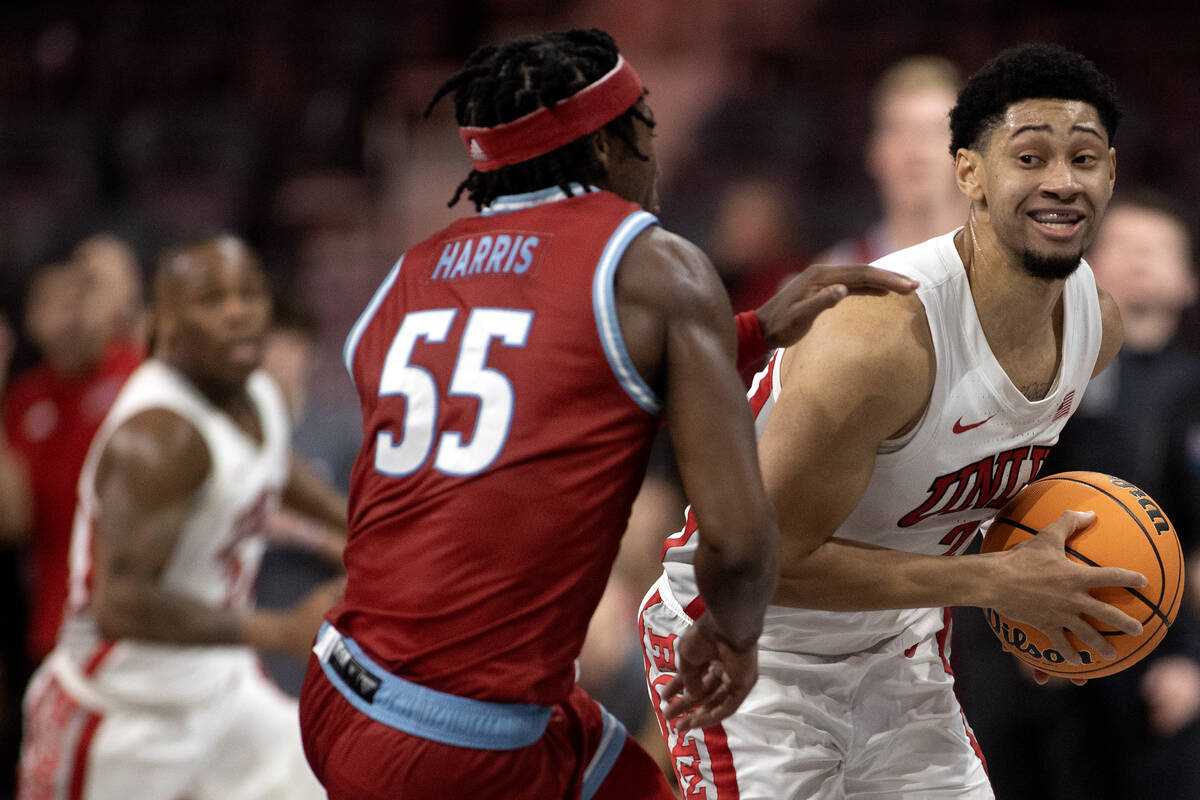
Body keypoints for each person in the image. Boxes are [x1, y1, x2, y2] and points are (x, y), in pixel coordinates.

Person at [297, 28, 916, 800]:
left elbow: (544, 394)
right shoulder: (651, 262)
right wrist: (732, 635)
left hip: (340, 691)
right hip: (461, 745)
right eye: (645, 129)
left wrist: (750, 333)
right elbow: (741, 540)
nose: (658, 153)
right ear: (604, 148)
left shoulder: (411, 273)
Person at [640, 42, 1149, 799]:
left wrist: (1045, 591)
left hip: (897, 651)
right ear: (969, 172)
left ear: (1111, 174)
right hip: (747, 648)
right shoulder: (878, 337)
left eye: (1085, 158)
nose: (1062, 182)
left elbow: (959, 472)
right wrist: (995, 582)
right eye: (1031, 156)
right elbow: (760, 561)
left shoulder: (1095, 328)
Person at [17, 236, 345, 800]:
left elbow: (268, 463)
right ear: (162, 322)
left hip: (221, 688)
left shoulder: (256, 391)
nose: (239, 311)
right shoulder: (157, 437)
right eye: (212, 299)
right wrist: (281, 630)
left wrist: (361, 524)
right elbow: (118, 604)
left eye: (250, 293)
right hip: (123, 713)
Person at [954, 192, 1200, 800]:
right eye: (1124, 245)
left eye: (1158, 248)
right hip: (1023, 640)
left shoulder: (1190, 393)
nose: (1140, 258)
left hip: (1156, 652)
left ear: (1188, 283)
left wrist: (1192, 658)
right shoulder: (1030, 384)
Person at [3, 257, 143, 667]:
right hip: (56, 621)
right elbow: (13, 520)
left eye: (80, 301)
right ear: (31, 319)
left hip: (135, 618)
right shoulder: (24, 400)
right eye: (54, 304)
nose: (70, 317)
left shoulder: (138, 374)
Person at [815, 54, 966, 266]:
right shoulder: (836, 275)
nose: (917, 150)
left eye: (936, 131)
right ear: (873, 151)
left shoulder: (1013, 268)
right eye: (899, 130)